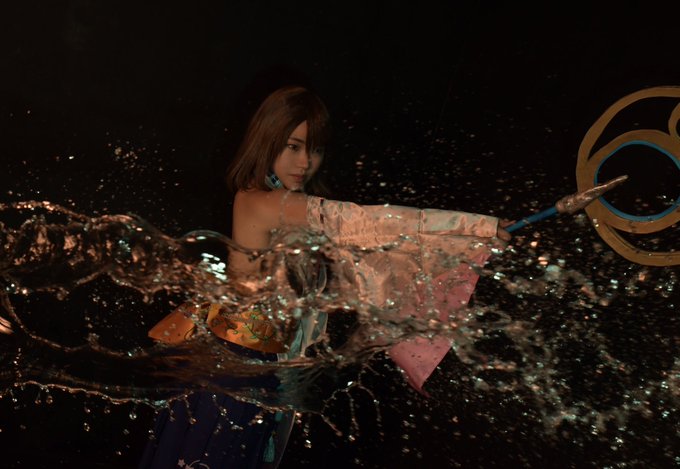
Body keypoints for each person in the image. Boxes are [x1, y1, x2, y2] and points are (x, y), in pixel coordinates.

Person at [140, 85, 510, 468]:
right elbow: (364, 222)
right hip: (232, 369)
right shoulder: (259, 201)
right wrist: (474, 228)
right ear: (267, 141)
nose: (305, 162)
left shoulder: (287, 208)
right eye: (293, 147)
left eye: (314, 149)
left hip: (256, 367)